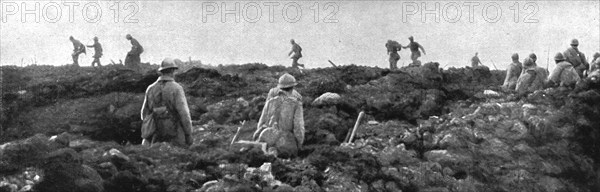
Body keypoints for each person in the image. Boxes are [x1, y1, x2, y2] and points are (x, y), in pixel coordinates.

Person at [141, 58, 193, 147]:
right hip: (175, 134)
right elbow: (184, 115)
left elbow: (143, 114)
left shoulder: (150, 88)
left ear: (161, 71)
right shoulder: (177, 88)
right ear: (173, 71)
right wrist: (188, 134)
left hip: (155, 134)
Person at [253, 73, 305, 158]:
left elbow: (261, 123)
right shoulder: (296, 103)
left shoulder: (270, 102)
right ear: (293, 87)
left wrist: (257, 137)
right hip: (285, 143)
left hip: (268, 140)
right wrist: (299, 144)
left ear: (279, 87)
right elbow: (298, 127)